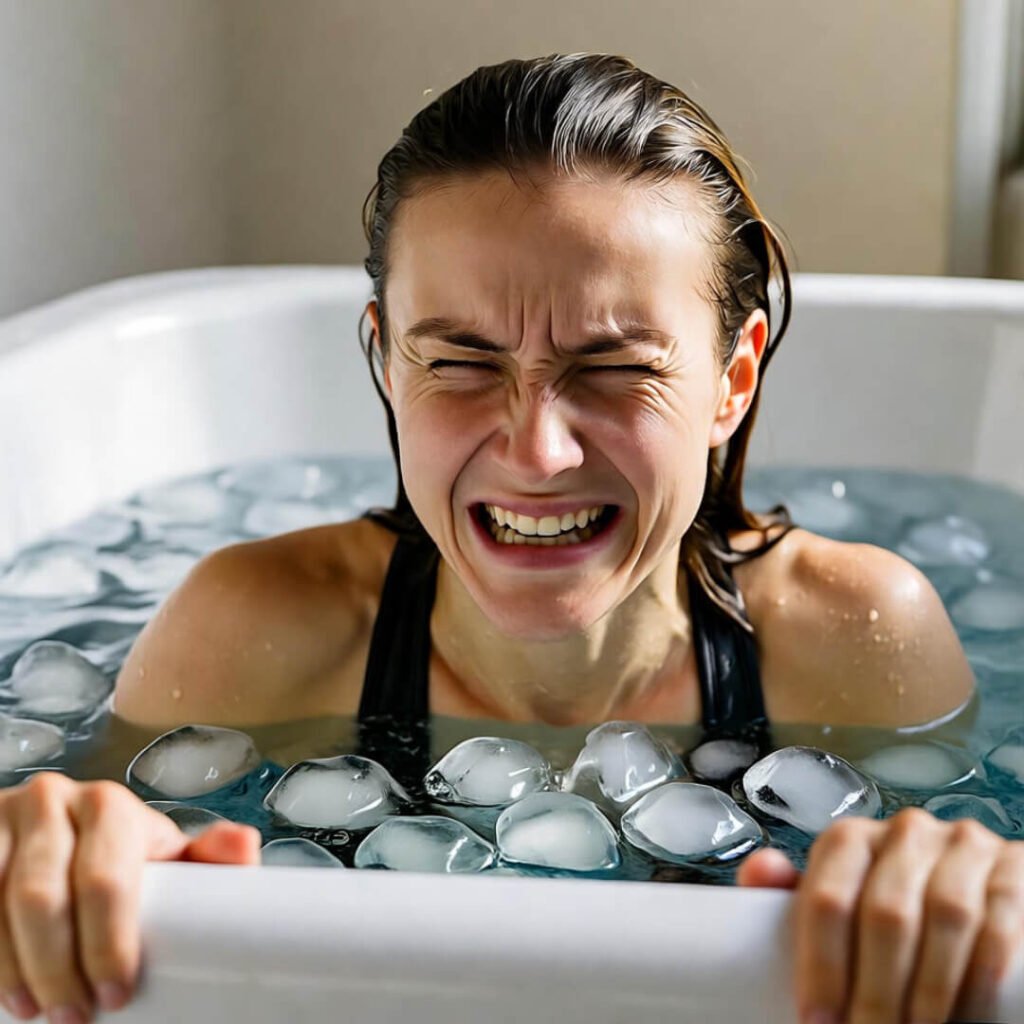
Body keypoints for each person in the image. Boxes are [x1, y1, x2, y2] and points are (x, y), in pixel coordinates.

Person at [0, 52, 1019, 1024]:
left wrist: (960, 881)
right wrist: (62, 841)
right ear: (385, 362)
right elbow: (83, 855)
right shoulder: (253, 631)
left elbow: (959, 881)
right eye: (458, 361)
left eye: (615, 366)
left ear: (733, 379)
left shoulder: (853, 639)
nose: (538, 451)